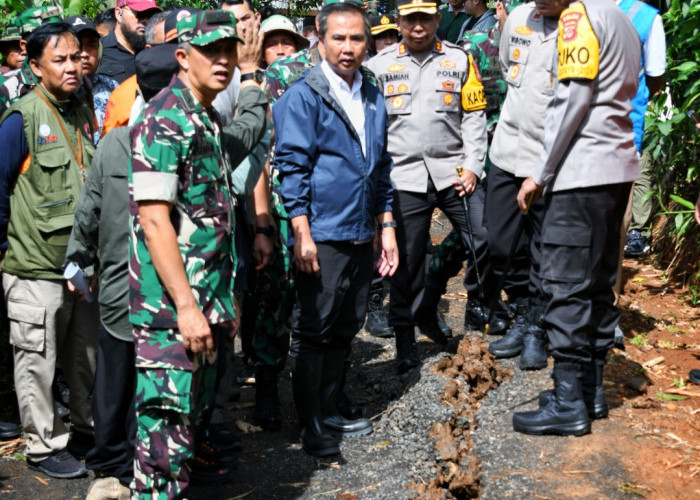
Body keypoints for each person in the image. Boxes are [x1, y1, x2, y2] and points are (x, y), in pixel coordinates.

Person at [128, 9, 253, 496]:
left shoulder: (204, 114)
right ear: (183, 57)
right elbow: (154, 220)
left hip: (204, 304)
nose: (223, 61)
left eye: (229, 50)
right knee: (164, 446)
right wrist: (185, 306)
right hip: (169, 315)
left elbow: (208, 222)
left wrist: (220, 303)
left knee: (187, 434)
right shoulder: (165, 118)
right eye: (210, 52)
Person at [273, 0, 397, 457]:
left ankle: (330, 406)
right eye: (338, 38)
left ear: (368, 42)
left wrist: (386, 226)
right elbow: (292, 169)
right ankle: (312, 425)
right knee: (314, 327)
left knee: (348, 324)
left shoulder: (371, 92)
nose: (348, 48)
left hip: (361, 229)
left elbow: (380, 167)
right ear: (319, 40)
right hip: (323, 233)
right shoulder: (303, 97)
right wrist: (301, 232)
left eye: (357, 38)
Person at [514, 0, 641, 435]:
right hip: (618, 167)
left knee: (565, 284)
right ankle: (592, 391)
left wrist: (539, 173)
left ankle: (568, 403)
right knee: (599, 283)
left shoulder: (577, 16)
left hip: (581, 171)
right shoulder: (622, 18)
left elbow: (572, 98)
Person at [367, 0, 492, 372]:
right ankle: (405, 336)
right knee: (405, 261)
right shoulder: (379, 66)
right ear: (400, 23)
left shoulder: (459, 59)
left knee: (484, 237)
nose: (418, 26)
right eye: (410, 20)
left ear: (438, 19)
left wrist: (473, 165)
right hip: (402, 177)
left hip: (453, 172)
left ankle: (472, 315)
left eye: (425, 18)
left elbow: (473, 115)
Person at [0, 21, 99, 479]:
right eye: (59, 60)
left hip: (80, 266)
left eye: (76, 57)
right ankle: (42, 446)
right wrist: (7, 252)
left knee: (85, 357)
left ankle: (85, 430)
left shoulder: (82, 111)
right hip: (34, 269)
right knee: (37, 362)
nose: (72, 67)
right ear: (35, 65)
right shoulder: (20, 119)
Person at [483, 0, 570, 371]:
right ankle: (521, 307)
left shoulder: (579, 26)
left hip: (550, 158)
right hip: (507, 152)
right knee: (499, 242)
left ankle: (534, 326)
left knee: (543, 247)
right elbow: (507, 68)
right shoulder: (519, 18)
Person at [620, 0, 666, 258]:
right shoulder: (582, 10)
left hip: (634, 121)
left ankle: (638, 231)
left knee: (641, 172)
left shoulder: (647, 17)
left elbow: (655, 77)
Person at [0, 6, 63, 115]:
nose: (53, 45)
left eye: (59, 37)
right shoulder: (7, 88)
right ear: (24, 45)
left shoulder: (78, 82)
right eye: (44, 40)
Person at [66, 15, 119, 144]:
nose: (84, 54)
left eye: (91, 46)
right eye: (77, 45)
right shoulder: (52, 92)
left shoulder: (112, 88)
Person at [98, 0, 161, 84]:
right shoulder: (98, 51)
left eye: (150, 15)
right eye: (140, 14)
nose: (145, 20)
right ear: (119, 14)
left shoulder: (155, 53)